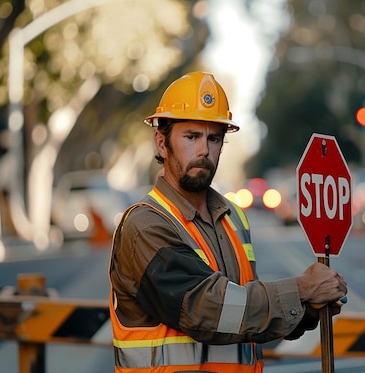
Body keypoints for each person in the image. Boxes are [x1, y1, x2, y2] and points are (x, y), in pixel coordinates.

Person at [108, 71, 348, 373]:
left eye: (214, 138)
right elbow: (203, 308)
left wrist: (308, 309)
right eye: (191, 136)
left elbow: (246, 316)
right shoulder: (146, 224)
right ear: (161, 143)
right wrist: (300, 289)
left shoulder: (234, 218)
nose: (204, 151)